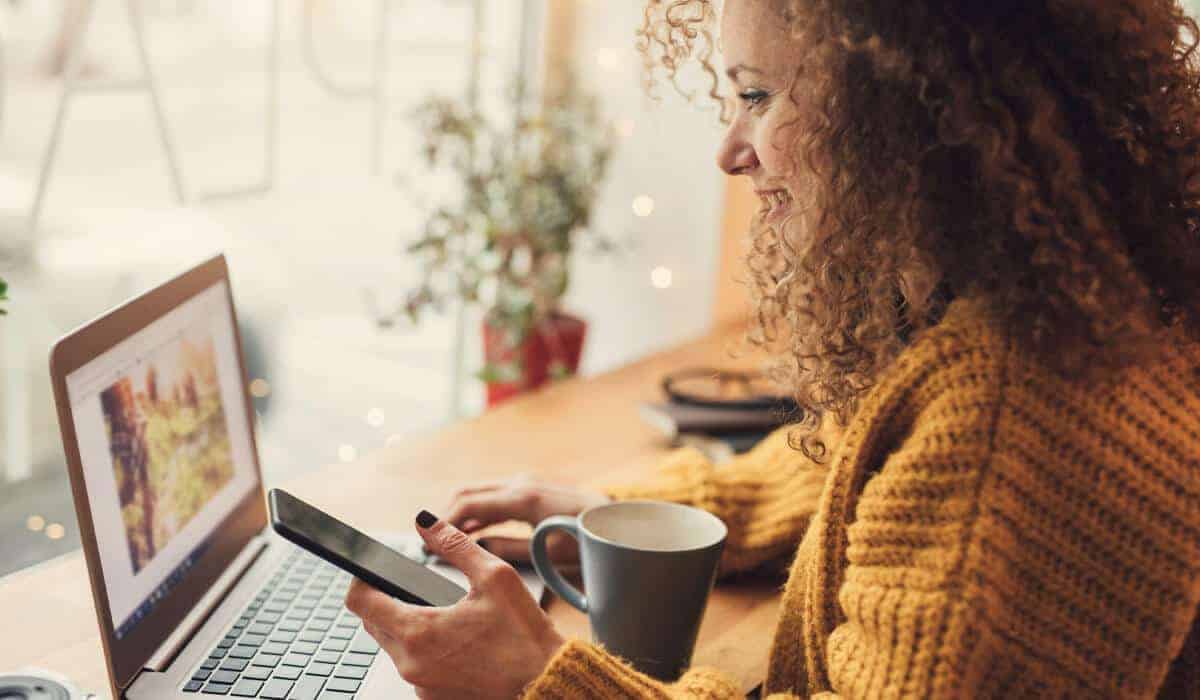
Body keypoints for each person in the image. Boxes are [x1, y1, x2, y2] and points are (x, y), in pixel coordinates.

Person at [345, 0, 1200, 697]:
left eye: (757, 96)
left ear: (906, 105)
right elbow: (865, 475)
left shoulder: (1004, 407)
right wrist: (611, 519)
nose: (729, 151)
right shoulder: (1068, 298)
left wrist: (541, 677)